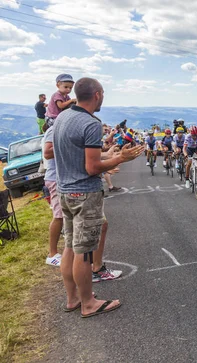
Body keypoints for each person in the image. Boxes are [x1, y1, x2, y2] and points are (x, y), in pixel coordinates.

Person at [53, 77, 144, 316]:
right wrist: (120, 159)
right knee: (84, 252)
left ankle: (72, 299)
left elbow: (75, 156)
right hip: (85, 193)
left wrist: (108, 156)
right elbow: (92, 168)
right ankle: (88, 303)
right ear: (97, 94)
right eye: (102, 93)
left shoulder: (62, 117)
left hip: (66, 191)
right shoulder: (90, 123)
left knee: (70, 247)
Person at [42, 119, 62, 267]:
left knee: (62, 216)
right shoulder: (52, 130)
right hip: (54, 178)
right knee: (59, 216)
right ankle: (52, 254)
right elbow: (48, 152)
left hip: (59, 177)